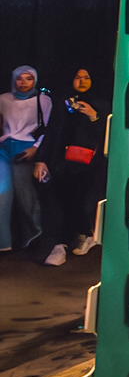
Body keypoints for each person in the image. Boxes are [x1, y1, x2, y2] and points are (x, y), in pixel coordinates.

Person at [33, 69, 110, 265]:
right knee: (62, 200)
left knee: (78, 199)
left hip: (87, 162)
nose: (82, 81)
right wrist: (42, 159)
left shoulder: (101, 102)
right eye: (78, 77)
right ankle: (76, 238)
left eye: (87, 77)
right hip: (60, 160)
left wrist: (94, 116)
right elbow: (53, 131)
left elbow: (107, 133)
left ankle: (76, 238)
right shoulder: (63, 101)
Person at [0, 66, 50, 254]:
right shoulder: (3, 98)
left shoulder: (43, 100)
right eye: (19, 78)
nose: (23, 82)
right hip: (4, 148)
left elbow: (48, 128)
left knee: (26, 198)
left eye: (28, 78)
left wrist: (36, 149)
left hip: (26, 149)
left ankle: (34, 238)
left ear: (34, 80)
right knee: (2, 197)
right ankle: (4, 243)